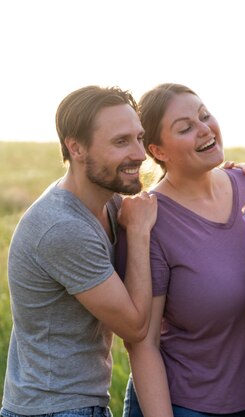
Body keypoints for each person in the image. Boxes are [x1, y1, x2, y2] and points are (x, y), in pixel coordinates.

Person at [117, 83, 245, 417]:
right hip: (185, 404)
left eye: (204, 115)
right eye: (186, 127)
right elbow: (142, 343)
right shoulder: (150, 221)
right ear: (158, 150)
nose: (204, 129)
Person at [1, 86, 158, 417]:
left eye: (139, 138)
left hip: (75, 403)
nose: (140, 153)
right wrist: (140, 233)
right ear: (76, 147)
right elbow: (135, 327)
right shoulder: (62, 227)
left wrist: (229, 176)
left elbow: (164, 199)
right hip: (54, 409)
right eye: (121, 142)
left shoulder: (108, 199)